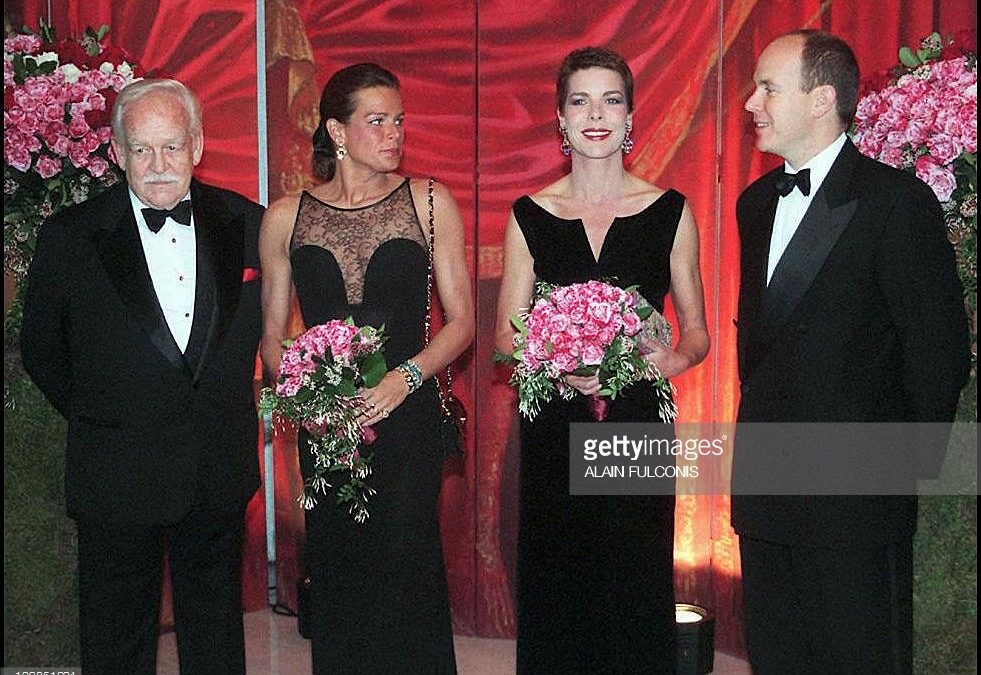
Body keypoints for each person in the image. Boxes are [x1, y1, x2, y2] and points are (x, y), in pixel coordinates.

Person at [732, 30, 970, 674]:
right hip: (766, 493)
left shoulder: (897, 203)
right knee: (778, 657)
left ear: (821, 99)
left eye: (768, 88)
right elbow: (760, 346)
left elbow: (941, 352)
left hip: (856, 505)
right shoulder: (754, 204)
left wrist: (900, 471)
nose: (752, 102)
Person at [20, 78, 264, 675]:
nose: (158, 166)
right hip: (116, 471)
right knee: (115, 640)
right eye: (142, 149)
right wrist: (111, 411)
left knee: (216, 640)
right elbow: (41, 349)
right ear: (118, 153)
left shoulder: (249, 224)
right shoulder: (71, 237)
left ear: (198, 146)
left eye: (172, 147)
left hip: (216, 467)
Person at [495, 47, 710, 674]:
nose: (596, 115)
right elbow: (507, 344)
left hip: (638, 426)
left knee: (633, 581)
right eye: (580, 101)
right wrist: (555, 361)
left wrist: (655, 364)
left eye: (610, 100)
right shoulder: (529, 216)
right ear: (560, 120)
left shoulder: (671, 211)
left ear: (631, 115)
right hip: (553, 428)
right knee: (557, 582)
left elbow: (696, 335)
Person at [260, 63, 473, 674]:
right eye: (377, 121)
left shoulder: (429, 201)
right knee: (341, 571)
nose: (394, 133)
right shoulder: (286, 218)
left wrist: (403, 379)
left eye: (399, 120)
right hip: (328, 431)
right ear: (337, 131)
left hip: (406, 420)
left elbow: (461, 323)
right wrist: (311, 397)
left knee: (406, 568)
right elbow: (273, 340)